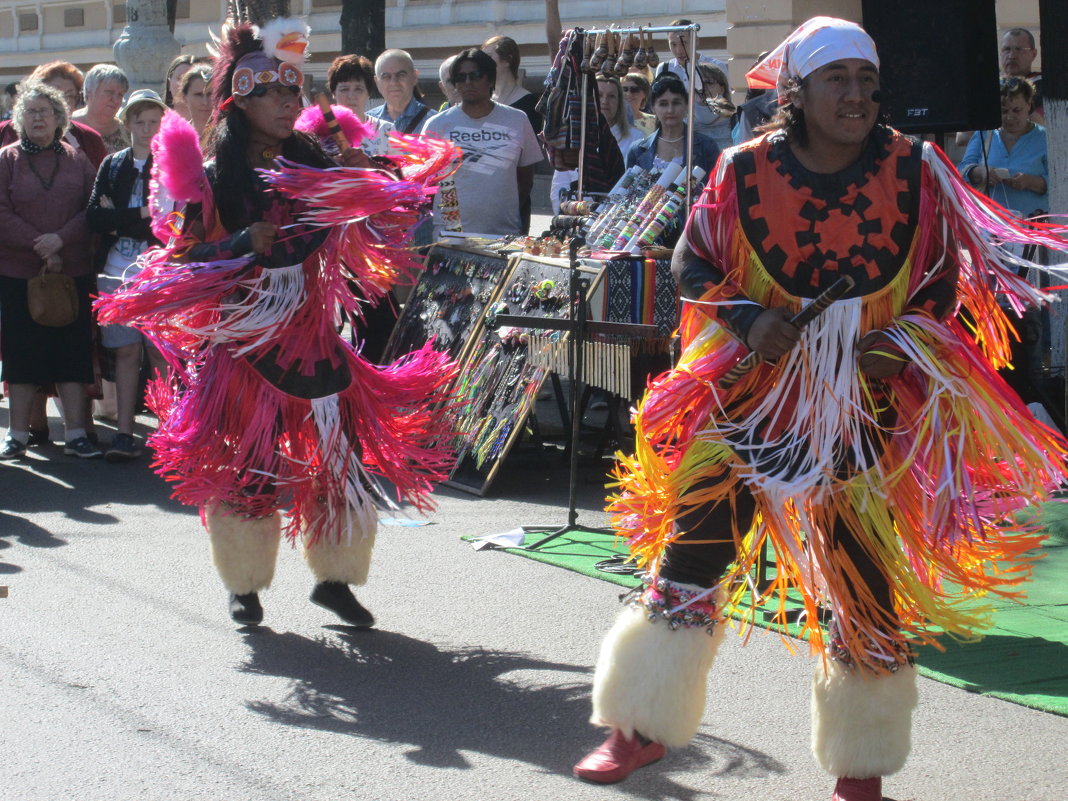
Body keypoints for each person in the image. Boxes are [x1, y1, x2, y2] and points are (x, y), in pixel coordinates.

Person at [572, 17, 1068, 801]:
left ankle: (860, 771)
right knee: (694, 553)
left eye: (868, 83)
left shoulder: (916, 171)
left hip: (858, 405)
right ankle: (637, 729)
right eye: (839, 81)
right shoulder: (740, 170)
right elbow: (690, 258)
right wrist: (748, 320)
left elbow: (942, 278)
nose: (858, 97)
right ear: (797, 94)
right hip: (750, 399)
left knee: (861, 580)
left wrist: (898, 340)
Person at [95, 17, 457, 627]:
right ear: (242, 102)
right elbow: (178, 257)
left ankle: (336, 578)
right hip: (246, 346)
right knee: (251, 465)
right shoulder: (213, 180)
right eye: (275, 93)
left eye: (295, 93)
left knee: (338, 464)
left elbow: (384, 199)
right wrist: (237, 242)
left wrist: (375, 173)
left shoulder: (316, 165)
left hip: (314, 340)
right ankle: (244, 584)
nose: (290, 103)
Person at [0, 82, 99, 460]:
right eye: (30, 111)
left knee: (69, 354)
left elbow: (93, 206)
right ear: (18, 118)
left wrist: (60, 240)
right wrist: (40, 244)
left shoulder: (77, 159)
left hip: (70, 270)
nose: (37, 117)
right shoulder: (6, 159)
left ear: (60, 118)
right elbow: (1, 211)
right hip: (18, 273)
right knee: (22, 357)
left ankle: (75, 434)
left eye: (45, 111)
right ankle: (17, 435)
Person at [86, 90, 169, 462]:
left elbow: (170, 220)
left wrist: (120, 218)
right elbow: (95, 217)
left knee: (160, 351)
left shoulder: (171, 164)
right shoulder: (113, 164)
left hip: (159, 271)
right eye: (139, 121)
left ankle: (170, 428)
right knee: (125, 351)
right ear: (127, 124)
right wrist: (138, 216)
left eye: (153, 122)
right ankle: (124, 432)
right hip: (114, 273)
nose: (146, 129)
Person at [421, 48, 542, 237]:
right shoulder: (437, 124)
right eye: (460, 78)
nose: (468, 82)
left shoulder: (517, 120)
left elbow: (525, 179)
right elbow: (425, 183)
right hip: (450, 235)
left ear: (491, 79)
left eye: (475, 75)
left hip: (503, 234)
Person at [550, 74, 647, 213]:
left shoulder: (636, 138)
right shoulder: (573, 137)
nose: (604, 101)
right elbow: (559, 186)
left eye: (611, 96)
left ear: (620, 102)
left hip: (614, 217)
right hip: (576, 216)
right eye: (599, 95)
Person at [959, 77, 1047, 217]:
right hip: (991, 228)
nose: (1009, 117)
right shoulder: (985, 134)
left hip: (1033, 228)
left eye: (1017, 110)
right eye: (1003, 111)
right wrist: (981, 173)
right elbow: (961, 171)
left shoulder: (1045, 138)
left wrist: (1030, 182)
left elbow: (1060, 182)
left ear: (1029, 105)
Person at [625, 75, 720, 178]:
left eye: (676, 103)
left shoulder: (706, 146)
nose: (670, 110)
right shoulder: (638, 150)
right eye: (663, 104)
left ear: (686, 106)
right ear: (653, 108)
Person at [655, 19, 727, 141]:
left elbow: (727, 101)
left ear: (696, 41)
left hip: (714, 133)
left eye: (684, 43)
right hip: (677, 135)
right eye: (673, 44)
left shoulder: (716, 67)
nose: (679, 50)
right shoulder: (664, 69)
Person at [326, 53, 392, 157]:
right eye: (344, 89)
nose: (351, 96)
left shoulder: (386, 131)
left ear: (368, 93)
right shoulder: (321, 132)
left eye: (358, 89)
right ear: (333, 93)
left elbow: (397, 171)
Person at [368, 49, 431, 134]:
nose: (394, 82)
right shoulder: (367, 123)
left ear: (414, 77)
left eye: (401, 75)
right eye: (386, 77)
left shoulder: (435, 122)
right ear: (377, 82)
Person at [73, 64, 130, 154]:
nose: (115, 100)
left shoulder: (127, 132)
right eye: (109, 92)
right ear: (89, 92)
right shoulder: (68, 128)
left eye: (120, 94)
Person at [694, 63, 734, 151]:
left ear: (722, 88)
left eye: (709, 83)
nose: (703, 88)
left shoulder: (736, 120)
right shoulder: (683, 122)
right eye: (697, 83)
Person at [176, 65, 213, 140]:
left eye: (210, 94)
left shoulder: (230, 135)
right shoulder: (177, 137)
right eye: (198, 95)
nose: (205, 102)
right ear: (184, 98)